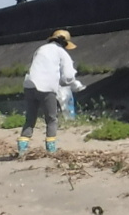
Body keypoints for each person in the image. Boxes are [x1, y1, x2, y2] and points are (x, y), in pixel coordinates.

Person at [17, 29, 82, 158]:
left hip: (29, 85)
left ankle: (22, 150)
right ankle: (51, 150)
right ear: (64, 43)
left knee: (30, 118)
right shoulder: (61, 53)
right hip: (46, 88)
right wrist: (75, 84)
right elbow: (68, 76)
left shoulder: (41, 49)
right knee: (51, 119)